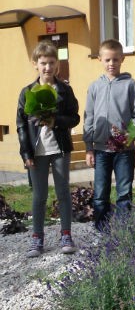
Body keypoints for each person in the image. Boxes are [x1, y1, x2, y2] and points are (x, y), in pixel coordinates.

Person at [16, 40, 81, 257]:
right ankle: (37, 238)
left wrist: (57, 122)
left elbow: (74, 117)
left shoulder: (64, 90)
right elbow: (21, 125)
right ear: (35, 64)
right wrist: (26, 153)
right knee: (39, 196)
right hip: (37, 152)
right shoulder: (27, 92)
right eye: (43, 62)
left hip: (60, 149)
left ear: (57, 65)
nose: (47, 67)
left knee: (63, 192)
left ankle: (66, 234)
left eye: (52, 62)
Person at [83, 39, 135, 232]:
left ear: (122, 59)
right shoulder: (94, 87)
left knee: (124, 192)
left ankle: (124, 231)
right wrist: (89, 147)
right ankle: (102, 230)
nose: (111, 64)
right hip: (101, 150)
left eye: (115, 60)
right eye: (107, 59)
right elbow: (89, 117)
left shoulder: (130, 84)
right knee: (101, 193)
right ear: (100, 59)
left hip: (124, 150)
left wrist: (130, 134)